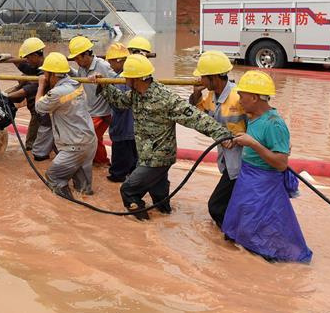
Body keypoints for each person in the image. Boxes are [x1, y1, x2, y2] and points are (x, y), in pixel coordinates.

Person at [98, 54, 232, 220]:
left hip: (157, 159)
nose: (125, 81)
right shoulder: (136, 95)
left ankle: (144, 231)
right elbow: (119, 101)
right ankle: (163, 226)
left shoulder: (164, 98)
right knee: (159, 200)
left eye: (127, 78)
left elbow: (196, 118)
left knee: (128, 190)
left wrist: (222, 134)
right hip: (147, 155)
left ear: (136, 79)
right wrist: (103, 85)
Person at [223, 71, 312, 263]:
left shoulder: (274, 124)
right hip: (248, 179)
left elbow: (281, 164)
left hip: (263, 184)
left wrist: (252, 144)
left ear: (254, 98)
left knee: (265, 230)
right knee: (244, 225)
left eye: (241, 95)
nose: (238, 100)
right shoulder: (252, 117)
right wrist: (239, 142)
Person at [188, 51, 247, 228]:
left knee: (215, 206)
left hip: (240, 160)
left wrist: (239, 139)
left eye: (203, 78)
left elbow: (257, 124)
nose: (200, 81)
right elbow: (199, 117)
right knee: (233, 201)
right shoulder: (211, 97)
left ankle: (231, 236)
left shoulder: (238, 97)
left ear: (214, 78)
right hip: (225, 159)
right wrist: (196, 95)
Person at [35, 52, 97, 199]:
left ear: (52, 75)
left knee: (53, 177)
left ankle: (67, 209)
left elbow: (39, 107)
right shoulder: (75, 83)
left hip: (74, 147)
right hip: (89, 142)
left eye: (45, 73)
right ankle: (83, 211)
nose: (44, 75)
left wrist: (40, 85)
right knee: (83, 189)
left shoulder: (57, 92)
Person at [0, 37, 57, 161]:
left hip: (43, 112)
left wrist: (6, 96)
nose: (27, 61)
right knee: (46, 139)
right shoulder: (38, 66)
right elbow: (26, 68)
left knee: (32, 144)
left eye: (28, 58)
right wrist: (11, 58)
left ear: (35, 55)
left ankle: (43, 159)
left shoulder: (44, 71)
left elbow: (29, 89)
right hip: (39, 110)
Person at [67, 35, 115, 166]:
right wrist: (67, 69)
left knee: (90, 136)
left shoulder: (103, 66)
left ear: (86, 54)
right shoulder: (83, 67)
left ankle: (102, 162)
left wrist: (102, 80)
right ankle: (98, 161)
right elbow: (79, 77)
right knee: (93, 137)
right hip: (90, 110)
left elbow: (118, 80)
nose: (76, 61)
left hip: (102, 112)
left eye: (77, 58)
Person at [104, 43, 138, 182]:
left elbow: (119, 106)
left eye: (111, 62)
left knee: (120, 158)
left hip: (123, 126)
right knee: (133, 156)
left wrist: (105, 88)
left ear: (119, 61)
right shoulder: (135, 75)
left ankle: (117, 175)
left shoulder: (120, 79)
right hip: (134, 127)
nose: (110, 66)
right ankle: (132, 174)